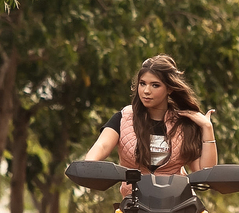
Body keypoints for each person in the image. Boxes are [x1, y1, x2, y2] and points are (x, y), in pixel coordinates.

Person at [84, 55, 217, 196]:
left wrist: (207, 128)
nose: (146, 91)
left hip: (179, 205)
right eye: (142, 84)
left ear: (170, 89)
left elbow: (205, 172)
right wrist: (87, 167)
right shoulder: (123, 118)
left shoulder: (184, 123)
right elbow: (102, 146)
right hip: (133, 207)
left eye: (155, 85)